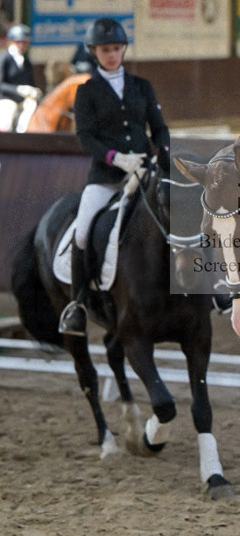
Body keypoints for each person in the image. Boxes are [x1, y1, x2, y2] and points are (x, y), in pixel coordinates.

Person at [59, 17, 169, 336]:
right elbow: (86, 137)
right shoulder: (87, 91)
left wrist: (160, 153)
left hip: (145, 170)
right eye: (105, 50)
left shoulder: (142, 87)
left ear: (123, 50)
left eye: (116, 49)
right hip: (106, 176)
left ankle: (203, 288)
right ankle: (78, 305)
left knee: (180, 210)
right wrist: (116, 158)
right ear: (95, 52)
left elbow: (159, 128)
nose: (112, 55)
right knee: (82, 231)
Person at [0, 24, 42, 130]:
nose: (22, 45)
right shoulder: (5, 59)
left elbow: (31, 81)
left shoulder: (26, 61)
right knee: (8, 117)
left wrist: (34, 90)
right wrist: (18, 89)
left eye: (25, 42)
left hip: (24, 99)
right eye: (18, 42)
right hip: (7, 98)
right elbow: (1, 84)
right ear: (11, 41)